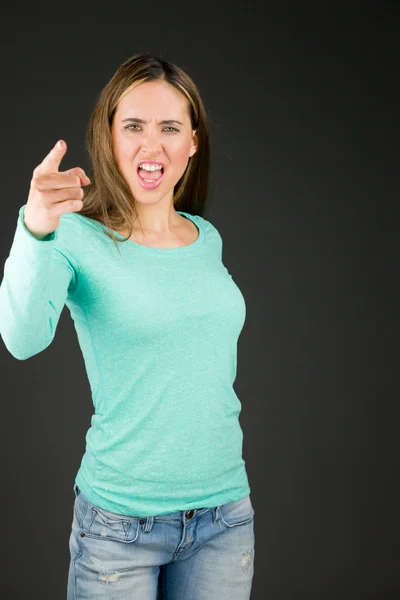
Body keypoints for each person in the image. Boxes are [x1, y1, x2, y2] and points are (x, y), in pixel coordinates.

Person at [0, 52, 255, 599]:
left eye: (170, 128)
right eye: (133, 126)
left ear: (192, 142)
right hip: (121, 528)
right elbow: (22, 339)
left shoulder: (204, 238)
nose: (151, 144)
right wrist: (36, 227)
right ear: (109, 137)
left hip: (224, 517)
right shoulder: (75, 238)